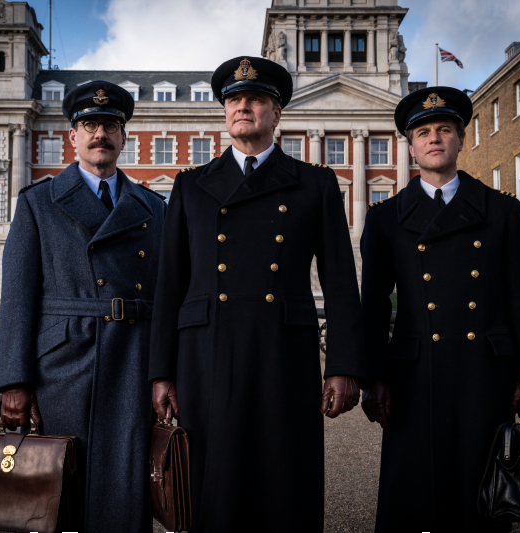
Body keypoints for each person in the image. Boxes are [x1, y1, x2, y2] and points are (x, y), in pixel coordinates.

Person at [148, 56, 364, 532]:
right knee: (213, 483)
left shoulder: (316, 183)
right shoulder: (190, 186)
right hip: (206, 355)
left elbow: (342, 284)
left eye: (256, 100)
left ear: (277, 113)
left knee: (282, 482)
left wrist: (345, 366)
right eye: (234, 100)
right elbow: (170, 286)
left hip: (282, 354)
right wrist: (160, 373)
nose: (243, 107)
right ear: (225, 113)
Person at [360, 86, 520, 532]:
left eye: (444, 130)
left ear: (461, 138)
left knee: (480, 489)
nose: (434, 138)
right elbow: (374, 305)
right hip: (414, 374)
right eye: (423, 132)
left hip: (485, 371)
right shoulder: (386, 218)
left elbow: (519, 295)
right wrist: (374, 377)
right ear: (411, 144)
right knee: (415, 493)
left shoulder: (501, 210)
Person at [0, 81, 167, 532]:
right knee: (60, 484)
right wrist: (15, 381)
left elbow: (170, 296)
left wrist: (167, 370)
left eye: (110, 124)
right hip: (64, 365)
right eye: (89, 124)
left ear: (123, 136)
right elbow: (16, 297)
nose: (99, 134)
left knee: (127, 483)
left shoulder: (153, 207)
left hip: (133, 357)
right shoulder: (38, 202)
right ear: (72, 136)